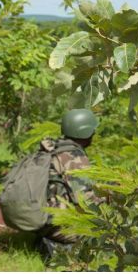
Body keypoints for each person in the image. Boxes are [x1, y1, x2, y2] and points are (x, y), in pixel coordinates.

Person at [36, 108, 100, 257]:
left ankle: (47, 239)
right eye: (92, 130)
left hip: (37, 217)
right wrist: (109, 197)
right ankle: (61, 247)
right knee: (101, 230)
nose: (94, 134)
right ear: (84, 132)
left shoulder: (53, 148)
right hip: (54, 223)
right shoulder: (74, 157)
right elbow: (86, 202)